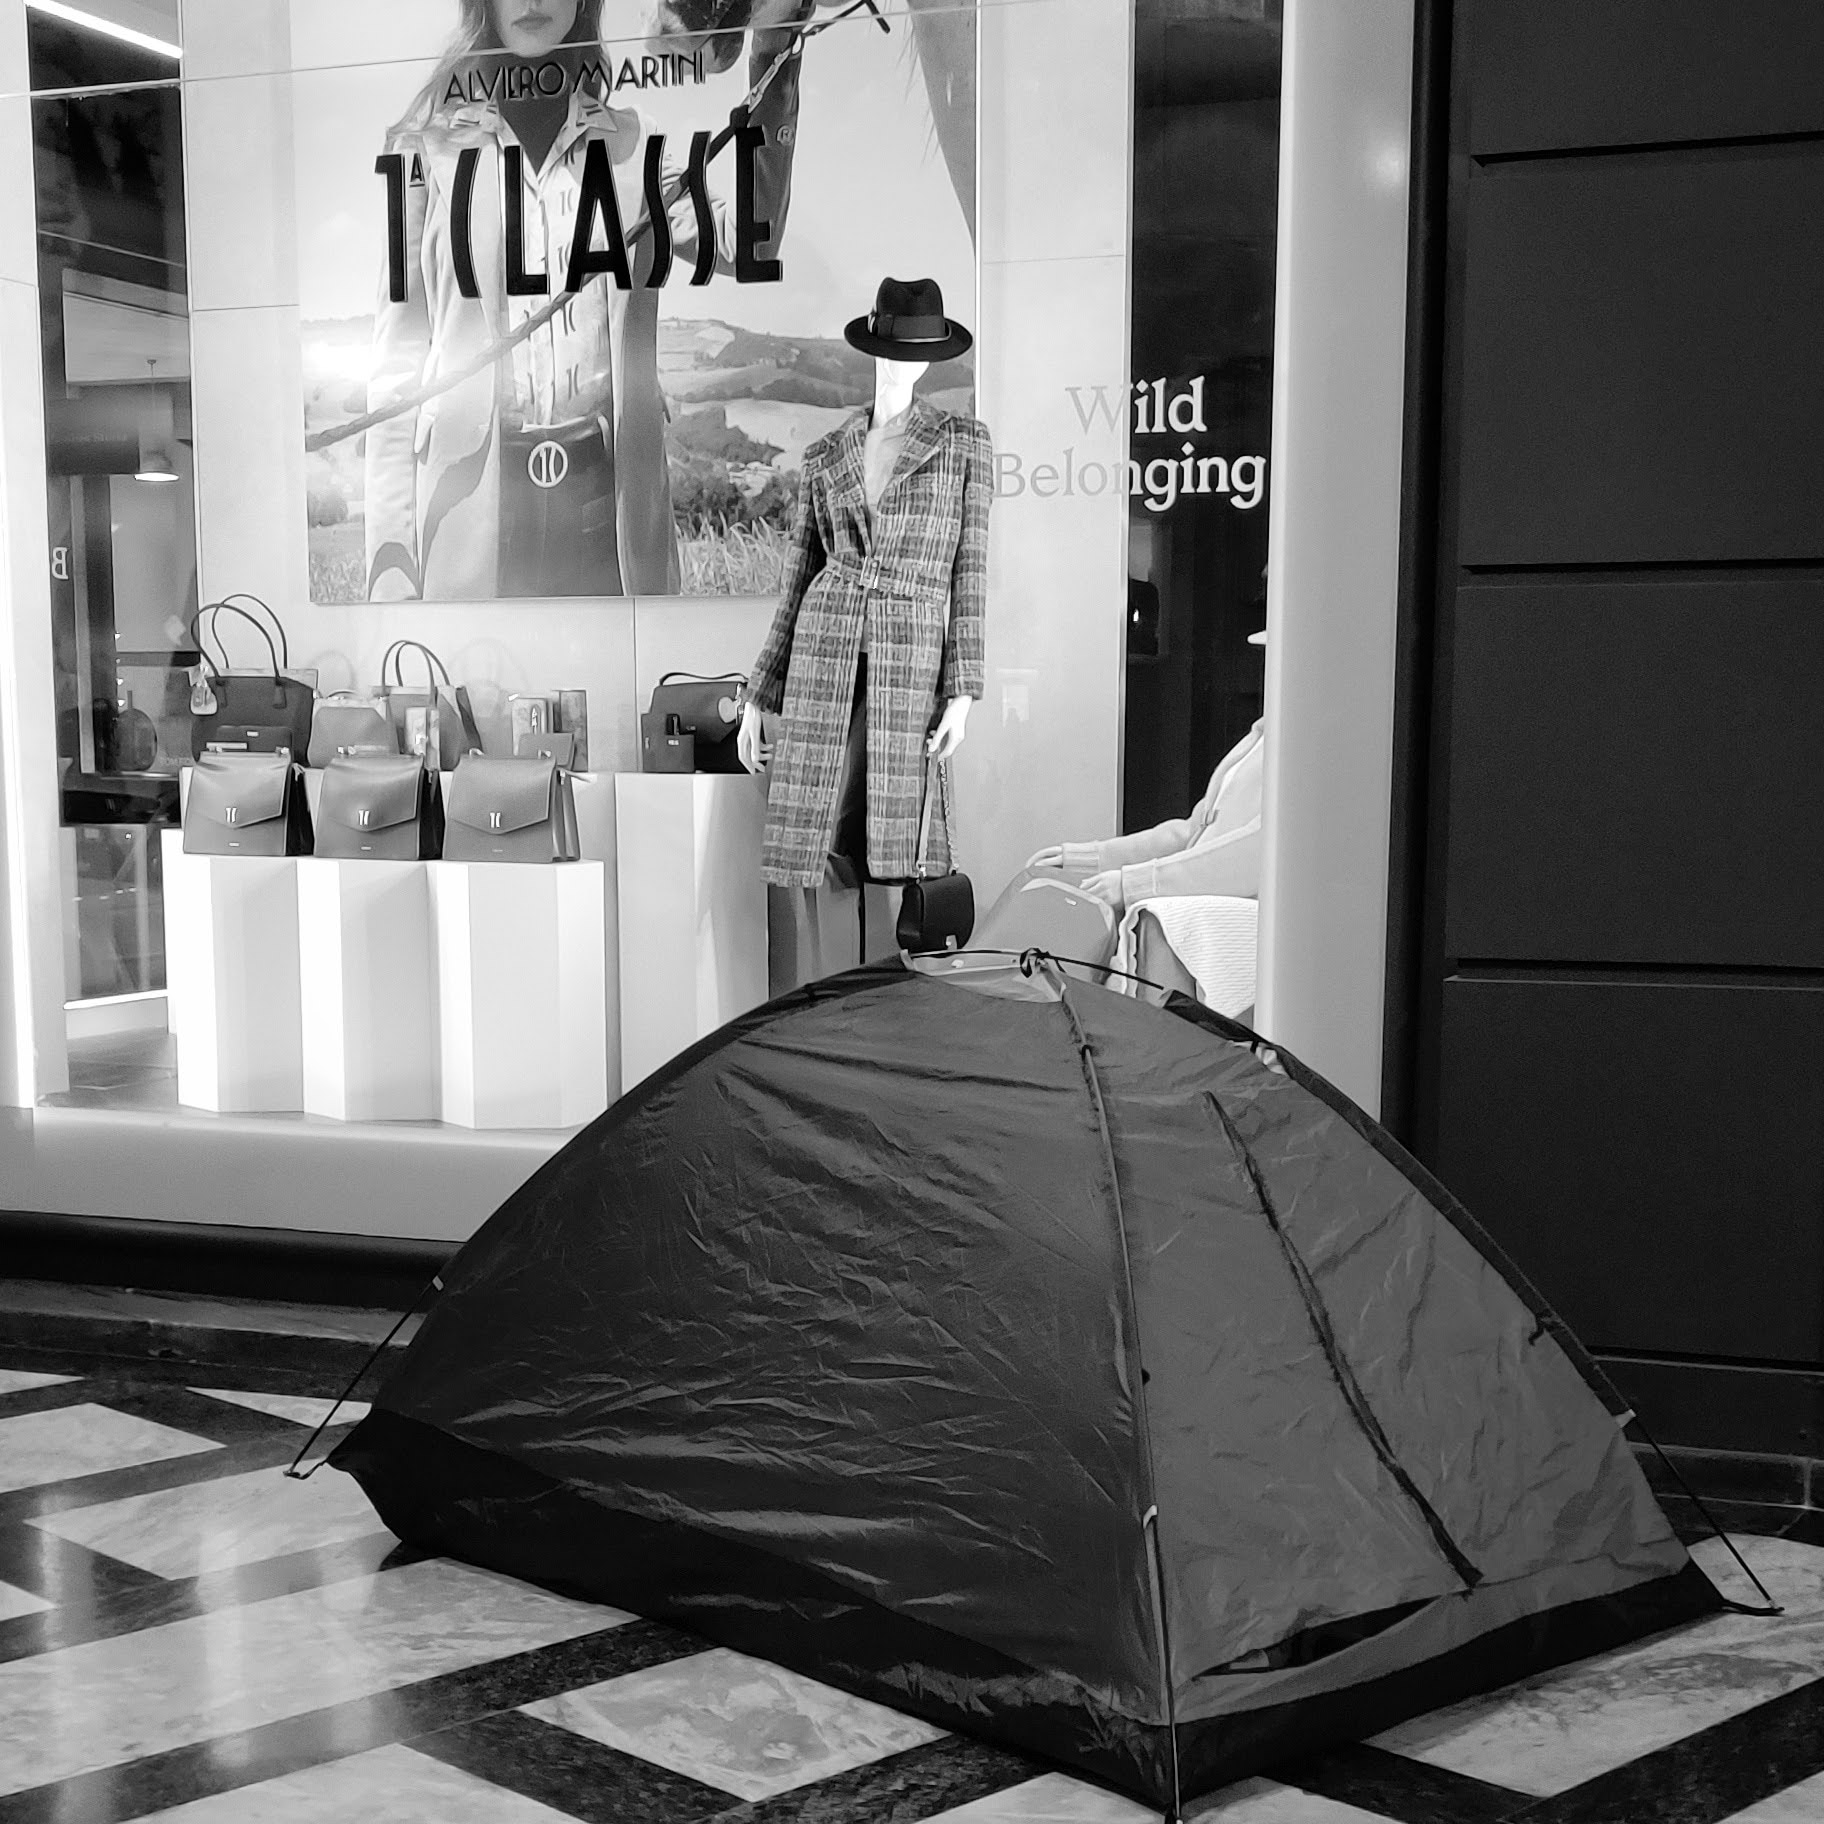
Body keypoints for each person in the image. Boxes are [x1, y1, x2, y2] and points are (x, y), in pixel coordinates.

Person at [364, 0, 806, 601]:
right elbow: (397, 368)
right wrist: (390, 574)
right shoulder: (425, 150)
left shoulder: (635, 144)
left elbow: (746, 243)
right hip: (468, 524)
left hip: (608, 517)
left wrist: (774, 52)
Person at [1028, 718, 1263, 916]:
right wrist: (1090, 860)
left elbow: (1259, 854)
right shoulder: (1263, 737)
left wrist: (1134, 884)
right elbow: (1190, 834)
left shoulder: (1284, 745)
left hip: (1225, 940)